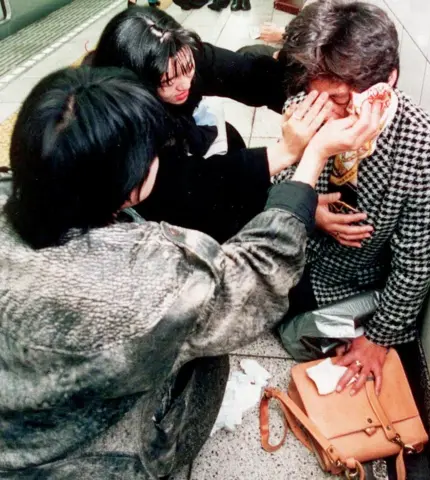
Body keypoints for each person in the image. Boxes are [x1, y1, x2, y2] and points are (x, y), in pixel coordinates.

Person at [0, 66, 381, 478]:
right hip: (72, 462)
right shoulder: (150, 274)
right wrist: (313, 158)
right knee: (210, 360)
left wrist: (284, 155)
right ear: (129, 184)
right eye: (153, 151)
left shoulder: (23, 193)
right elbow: (257, 279)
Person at [274, 0, 430, 395]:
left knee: (294, 337)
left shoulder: (422, 144)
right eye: (317, 97)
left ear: (388, 81)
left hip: (355, 275)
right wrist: (312, 211)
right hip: (304, 252)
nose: (327, 114)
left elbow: (416, 258)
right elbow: (280, 190)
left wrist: (378, 338)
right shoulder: (309, 108)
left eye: (340, 100)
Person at [89, 6, 318, 242]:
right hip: (158, 203)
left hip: (183, 149)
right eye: (167, 81)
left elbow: (246, 74)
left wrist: (310, 95)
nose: (184, 85)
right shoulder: (118, 122)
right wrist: (285, 157)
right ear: (137, 84)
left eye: (188, 68)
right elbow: (187, 186)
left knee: (231, 139)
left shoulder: (178, 56)